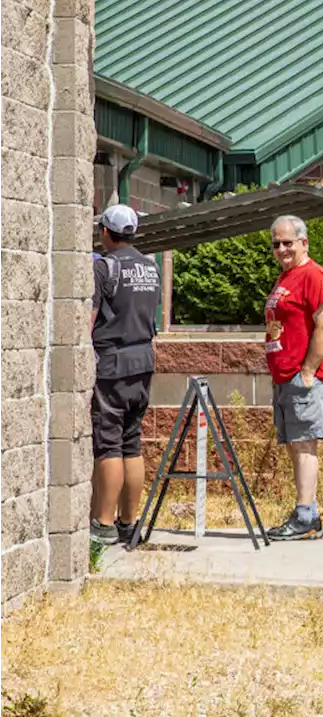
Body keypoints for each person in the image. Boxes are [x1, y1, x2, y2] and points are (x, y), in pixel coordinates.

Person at [89, 205, 161, 546]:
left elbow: (89, 319)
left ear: (106, 232)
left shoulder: (105, 268)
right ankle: (129, 523)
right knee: (132, 442)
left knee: (109, 443)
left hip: (113, 364)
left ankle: (103, 524)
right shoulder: (151, 266)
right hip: (144, 361)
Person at [263, 215, 323, 541]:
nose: (281, 249)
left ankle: (304, 515)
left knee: (305, 444)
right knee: (295, 444)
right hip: (284, 375)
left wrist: (308, 370)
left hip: (303, 376)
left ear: (304, 243)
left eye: (288, 242)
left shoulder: (313, 276)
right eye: (277, 243)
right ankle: (311, 515)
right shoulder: (286, 277)